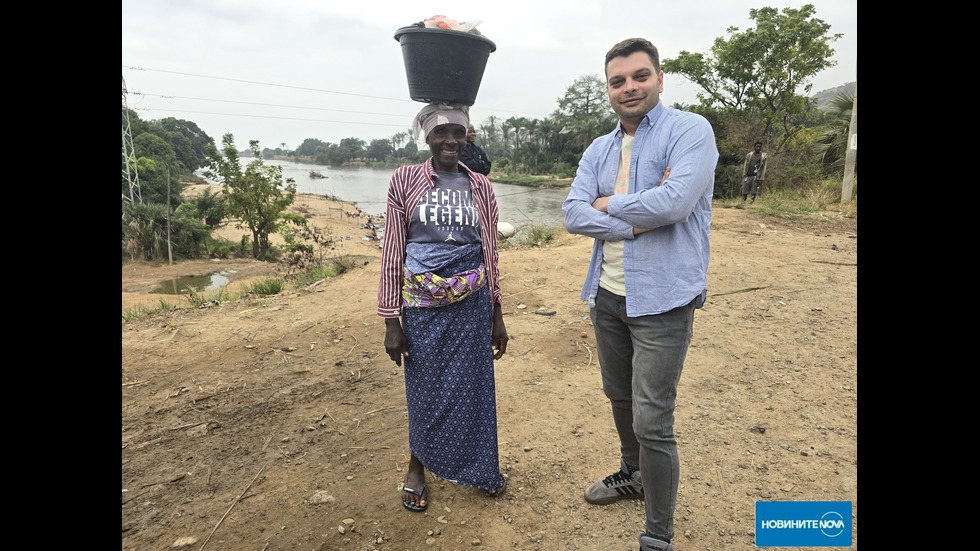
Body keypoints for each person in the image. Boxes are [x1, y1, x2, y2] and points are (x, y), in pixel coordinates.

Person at [562, 38, 718, 551]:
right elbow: (572, 212)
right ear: (608, 88)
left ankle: (658, 534)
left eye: (639, 76)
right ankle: (631, 474)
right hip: (606, 294)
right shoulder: (599, 148)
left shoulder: (689, 131)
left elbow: (674, 204)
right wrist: (632, 221)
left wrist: (607, 204)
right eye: (618, 81)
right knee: (619, 396)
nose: (629, 87)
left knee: (653, 418)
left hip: (664, 300)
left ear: (659, 78)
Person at [378, 102, 509, 514]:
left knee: (474, 390)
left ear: (467, 136)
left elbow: (490, 251)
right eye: (441, 132)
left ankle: (480, 468)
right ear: (427, 137)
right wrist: (390, 320)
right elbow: (393, 250)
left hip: (472, 303)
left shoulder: (481, 187)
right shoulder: (405, 179)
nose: (449, 140)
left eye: (458, 132)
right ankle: (418, 465)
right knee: (424, 389)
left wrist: (497, 313)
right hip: (421, 304)